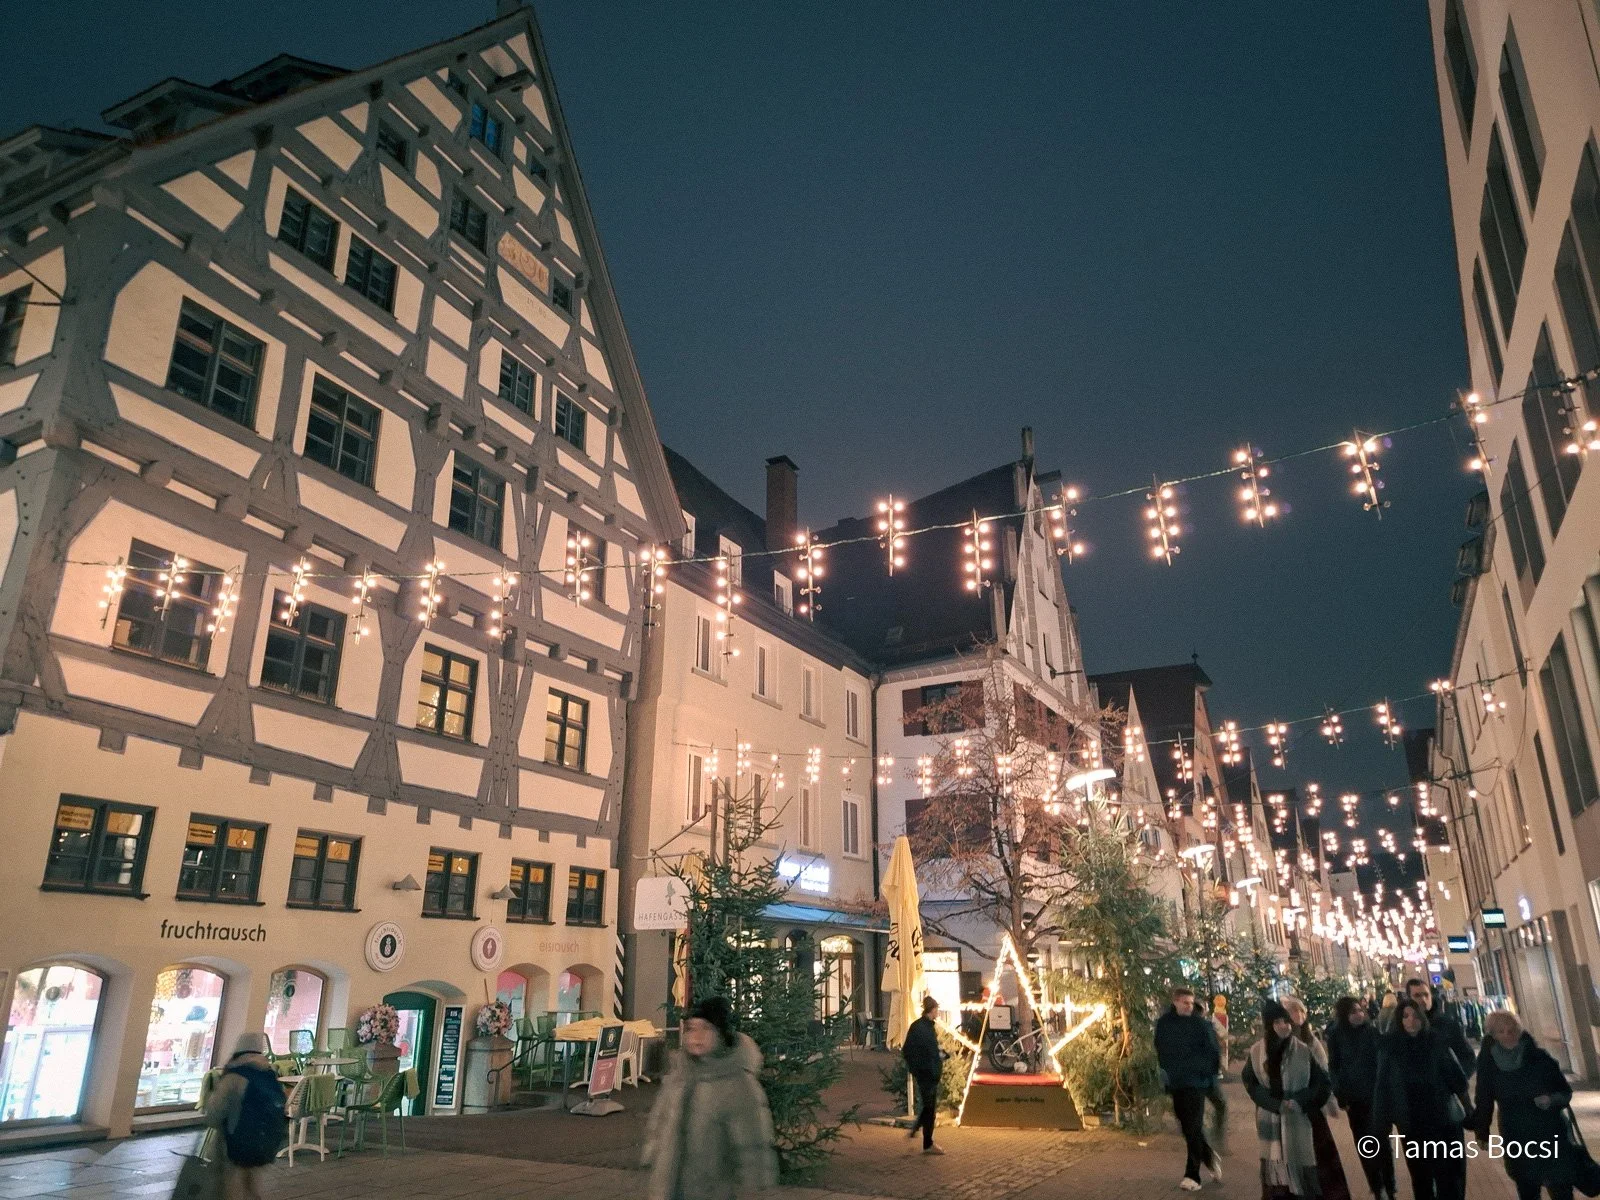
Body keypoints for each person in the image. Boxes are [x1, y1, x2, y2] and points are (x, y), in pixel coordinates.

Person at [642, 997, 779, 1200]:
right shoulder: (680, 1074)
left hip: (712, 1189)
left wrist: (754, 1182)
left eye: (705, 1028)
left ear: (721, 1034)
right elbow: (661, 1116)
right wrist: (652, 1150)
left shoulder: (737, 1082)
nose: (696, 1036)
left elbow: (753, 1137)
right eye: (690, 1028)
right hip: (669, 1184)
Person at [1243, 1000, 1350, 1200]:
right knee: (1279, 1180)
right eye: (1277, 1022)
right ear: (1269, 1026)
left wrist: (1301, 1100)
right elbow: (1251, 1083)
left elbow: (1322, 1082)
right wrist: (1274, 1104)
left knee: (1314, 1177)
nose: (1284, 1026)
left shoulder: (1302, 1049)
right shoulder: (1257, 1052)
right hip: (1273, 1125)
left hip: (1305, 1121)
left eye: (1286, 1021)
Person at [1373, 998, 1470, 1200]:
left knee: (1448, 1177)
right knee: (1421, 1177)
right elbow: (1383, 1087)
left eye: (1415, 1016)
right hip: (1411, 1123)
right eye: (1405, 1016)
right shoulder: (1390, 1048)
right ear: (1398, 1020)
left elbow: (1458, 1080)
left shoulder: (1437, 1042)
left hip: (1441, 1120)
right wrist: (1381, 1122)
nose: (1411, 1021)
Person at [1471, 1011, 1574, 1200]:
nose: (1508, 1035)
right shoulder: (1489, 1063)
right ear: (1493, 1035)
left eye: (1512, 1030)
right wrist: (1482, 1131)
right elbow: (1483, 1098)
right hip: (1516, 1132)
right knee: (1527, 1188)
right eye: (1501, 1031)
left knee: (1560, 1186)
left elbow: (1565, 1091)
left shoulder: (1539, 1057)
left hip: (1550, 1130)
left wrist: (1551, 1100)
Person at [202, 1032, 287, 1200]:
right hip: (262, 1142)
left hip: (234, 1142)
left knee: (230, 1187)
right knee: (253, 1185)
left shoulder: (235, 1075)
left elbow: (214, 1112)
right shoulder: (268, 1074)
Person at [1156, 986, 1223, 1191]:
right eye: (1185, 1002)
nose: (1188, 1006)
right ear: (1175, 1001)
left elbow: (1213, 1052)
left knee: (1193, 1125)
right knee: (1187, 1127)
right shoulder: (1165, 1024)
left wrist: (1203, 1073)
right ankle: (1209, 1156)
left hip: (1196, 1083)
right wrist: (1168, 1071)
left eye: (1191, 1003)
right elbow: (1161, 1048)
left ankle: (1192, 1175)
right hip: (1177, 1083)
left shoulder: (1200, 1025)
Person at [1328, 997, 1394, 1200]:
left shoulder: (1371, 1031)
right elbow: (1334, 1067)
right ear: (1344, 1015)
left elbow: (1384, 1060)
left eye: (1359, 1010)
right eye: (1352, 1012)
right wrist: (1341, 1095)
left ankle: (1390, 1187)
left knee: (1383, 1143)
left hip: (1377, 1097)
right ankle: (1376, 1187)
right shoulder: (1336, 1036)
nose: (1358, 1015)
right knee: (1366, 1145)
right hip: (1354, 1100)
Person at [902, 995, 946, 1155]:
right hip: (927, 1073)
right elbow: (913, 1051)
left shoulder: (920, 1027)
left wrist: (939, 1055)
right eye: (936, 1010)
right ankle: (927, 1143)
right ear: (932, 1010)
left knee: (928, 1107)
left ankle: (916, 1131)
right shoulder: (923, 1028)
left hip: (927, 1073)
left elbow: (919, 1050)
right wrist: (921, 1067)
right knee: (930, 1108)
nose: (938, 1013)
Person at [1405, 978, 1474, 1078]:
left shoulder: (1447, 1025)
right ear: (1408, 999)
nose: (1423, 999)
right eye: (1417, 996)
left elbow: (1468, 1058)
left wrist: (1456, 1081)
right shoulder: (1402, 1027)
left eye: (1426, 995)